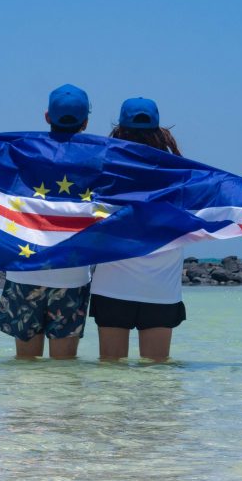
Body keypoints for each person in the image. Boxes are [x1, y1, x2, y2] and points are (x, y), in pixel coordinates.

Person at [0, 84, 94, 359]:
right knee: (63, 370)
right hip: (71, 273)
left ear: (47, 117)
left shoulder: (23, 152)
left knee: (25, 367)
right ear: (86, 120)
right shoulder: (99, 159)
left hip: (24, 268)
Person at [89, 97, 185, 362]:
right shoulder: (181, 175)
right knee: (156, 380)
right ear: (159, 130)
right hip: (160, 289)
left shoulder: (104, 172)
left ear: (119, 129)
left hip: (112, 287)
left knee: (111, 376)